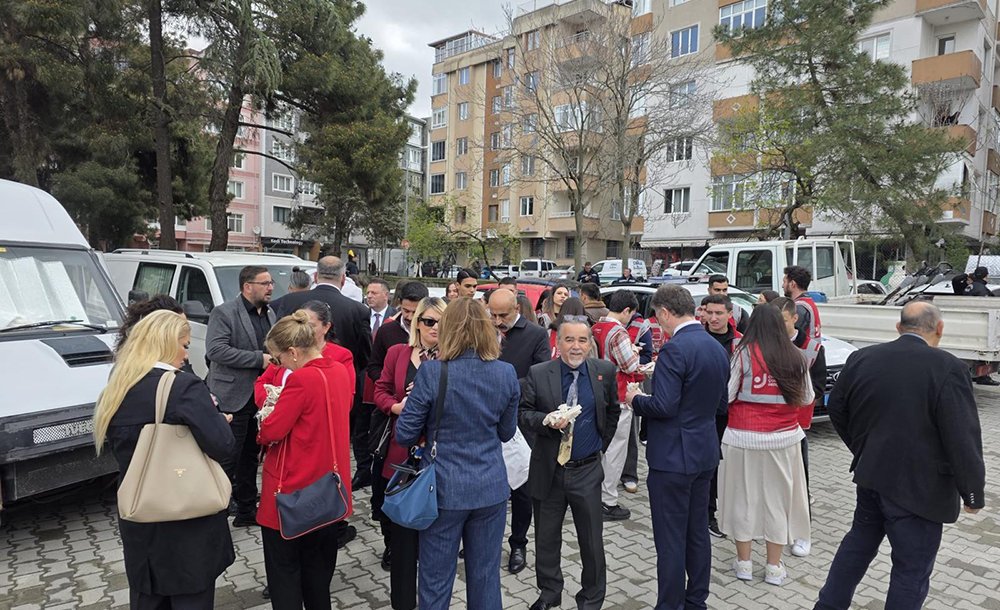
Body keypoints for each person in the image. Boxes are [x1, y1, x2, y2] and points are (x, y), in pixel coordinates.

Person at [814, 301, 985, 610]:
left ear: (898, 327)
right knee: (911, 570)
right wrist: (972, 491)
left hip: (872, 477)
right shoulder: (949, 368)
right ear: (940, 329)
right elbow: (962, 436)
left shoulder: (862, 358)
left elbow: (837, 408)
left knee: (856, 548)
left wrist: (863, 448)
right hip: (921, 491)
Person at [94, 310, 235, 609]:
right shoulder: (183, 387)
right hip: (187, 520)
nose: (186, 355)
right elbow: (222, 446)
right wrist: (219, 421)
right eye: (184, 345)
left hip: (141, 515)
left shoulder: (119, 386)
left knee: (147, 598)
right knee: (190, 598)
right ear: (164, 343)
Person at [395, 298, 520, 610]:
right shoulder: (505, 373)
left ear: (448, 328)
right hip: (490, 487)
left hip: (443, 489)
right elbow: (506, 433)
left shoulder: (432, 372)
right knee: (485, 576)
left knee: (436, 580)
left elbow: (404, 434)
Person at [625, 285, 729, 610]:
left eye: (658, 317)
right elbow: (721, 404)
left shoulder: (675, 350)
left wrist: (635, 399)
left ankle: (669, 605)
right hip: (704, 452)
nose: (659, 323)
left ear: (667, 312)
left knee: (670, 540)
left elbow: (664, 406)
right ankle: (696, 601)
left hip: (672, 458)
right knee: (697, 533)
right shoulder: (716, 347)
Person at [257, 311, 354, 610]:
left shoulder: (301, 380)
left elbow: (270, 431)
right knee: (318, 577)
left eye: (278, 358)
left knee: (284, 577)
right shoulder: (338, 370)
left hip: (293, 492)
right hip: (329, 490)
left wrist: (268, 413)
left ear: (293, 352)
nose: (279, 365)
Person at [520, 316, 619, 610]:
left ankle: (591, 598)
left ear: (590, 343)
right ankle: (550, 592)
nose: (576, 347)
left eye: (582, 340)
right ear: (558, 342)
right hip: (548, 471)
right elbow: (523, 412)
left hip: (587, 470)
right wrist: (545, 421)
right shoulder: (539, 373)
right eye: (569, 340)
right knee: (547, 539)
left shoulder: (604, 371)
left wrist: (599, 446)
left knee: (591, 541)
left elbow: (612, 412)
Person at [718, 305, 813, 586]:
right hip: (783, 441)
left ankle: (744, 564)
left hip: (741, 439)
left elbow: (727, 395)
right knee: (777, 503)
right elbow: (807, 398)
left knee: (742, 500)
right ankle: (773, 567)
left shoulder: (742, 354)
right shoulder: (796, 356)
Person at [272, 256, 372, 489]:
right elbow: (366, 357)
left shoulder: (288, 301)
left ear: (315, 276)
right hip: (340, 395)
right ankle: (331, 500)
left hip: (294, 392)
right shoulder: (357, 310)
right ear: (343, 278)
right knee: (333, 452)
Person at [374, 296, 446, 610]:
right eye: (428, 320)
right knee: (402, 541)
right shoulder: (397, 353)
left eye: (441, 321)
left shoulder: (450, 358)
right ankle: (403, 602)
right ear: (416, 322)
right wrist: (395, 406)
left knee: (433, 540)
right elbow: (380, 388)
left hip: (437, 459)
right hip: (400, 456)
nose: (434, 327)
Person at [206, 265, 275, 527]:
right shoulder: (224, 312)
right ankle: (216, 519)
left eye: (270, 283)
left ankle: (247, 511)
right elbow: (216, 350)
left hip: (258, 399)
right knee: (227, 459)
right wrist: (260, 360)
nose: (270, 287)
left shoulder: (270, 313)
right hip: (230, 397)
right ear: (247, 286)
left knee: (250, 457)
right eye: (265, 283)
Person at [488, 288, 551, 575]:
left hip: (520, 421)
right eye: (493, 314)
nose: (498, 320)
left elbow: (540, 376)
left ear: (517, 308)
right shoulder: (484, 330)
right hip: (486, 418)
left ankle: (518, 543)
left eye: (504, 314)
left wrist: (504, 385)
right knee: (490, 484)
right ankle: (486, 539)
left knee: (522, 489)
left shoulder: (536, 334)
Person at [367, 280, 429, 573]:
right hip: (395, 437)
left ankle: (420, 546)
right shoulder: (394, 345)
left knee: (423, 497)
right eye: (409, 313)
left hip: (430, 446)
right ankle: (392, 545)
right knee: (390, 496)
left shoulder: (448, 358)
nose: (428, 326)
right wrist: (395, 404)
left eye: (432, 320)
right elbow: (377, 381)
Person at [771, 296, 825, 558]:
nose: (778, 327)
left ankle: (802, 534)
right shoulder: (763, 346)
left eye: (782, 321)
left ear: (794, 318)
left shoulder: (812, 349)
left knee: (798, 481)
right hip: (767, 426)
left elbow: (818, 387)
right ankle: (773, 528)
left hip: (795, 426)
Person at [590, 290, 642, 522]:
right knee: (615, 450)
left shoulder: (596, 328)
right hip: (619, 396)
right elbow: (630, 366)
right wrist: (635, 353)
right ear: (626, 310)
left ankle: (594, 495)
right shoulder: (618, 332)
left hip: (597, 394)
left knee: (601, 449)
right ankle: (607, 500)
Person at [254, 300, 355, 409]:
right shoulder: (286, 350)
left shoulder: (341, 356)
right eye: (300, 325)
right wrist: (273, 403)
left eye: (311, 326)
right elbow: (262, 383)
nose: (304, 330)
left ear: (326, 327)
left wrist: (292, 404)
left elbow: (345, 400)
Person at [700, 294, 741, 539]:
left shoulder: (741, 342)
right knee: (709, 466)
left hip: (733, 414)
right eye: (710, 313)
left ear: (730, 315)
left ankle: (734, 513)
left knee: (731, 467)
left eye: (719, 313)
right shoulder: (696, 339)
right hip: (704, 415)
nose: (713, 318)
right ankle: (708, 514)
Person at [354, 278, 396, 489]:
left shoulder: (396, 318)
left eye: (374, 293)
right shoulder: (360, 316)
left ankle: (380, 467)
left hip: (386, 385)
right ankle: (363, 470)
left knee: (379, 428)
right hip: (363, 382)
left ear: (386, 295)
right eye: (367, 292)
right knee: (360, 429)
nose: (369, 296)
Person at [620, 306, 654, 495]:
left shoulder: (641, 326)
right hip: (610, 387)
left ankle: (629, 475)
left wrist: (634, 356)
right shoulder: (606, 324)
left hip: (632, 386)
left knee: (631, 433)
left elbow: (647, 353)